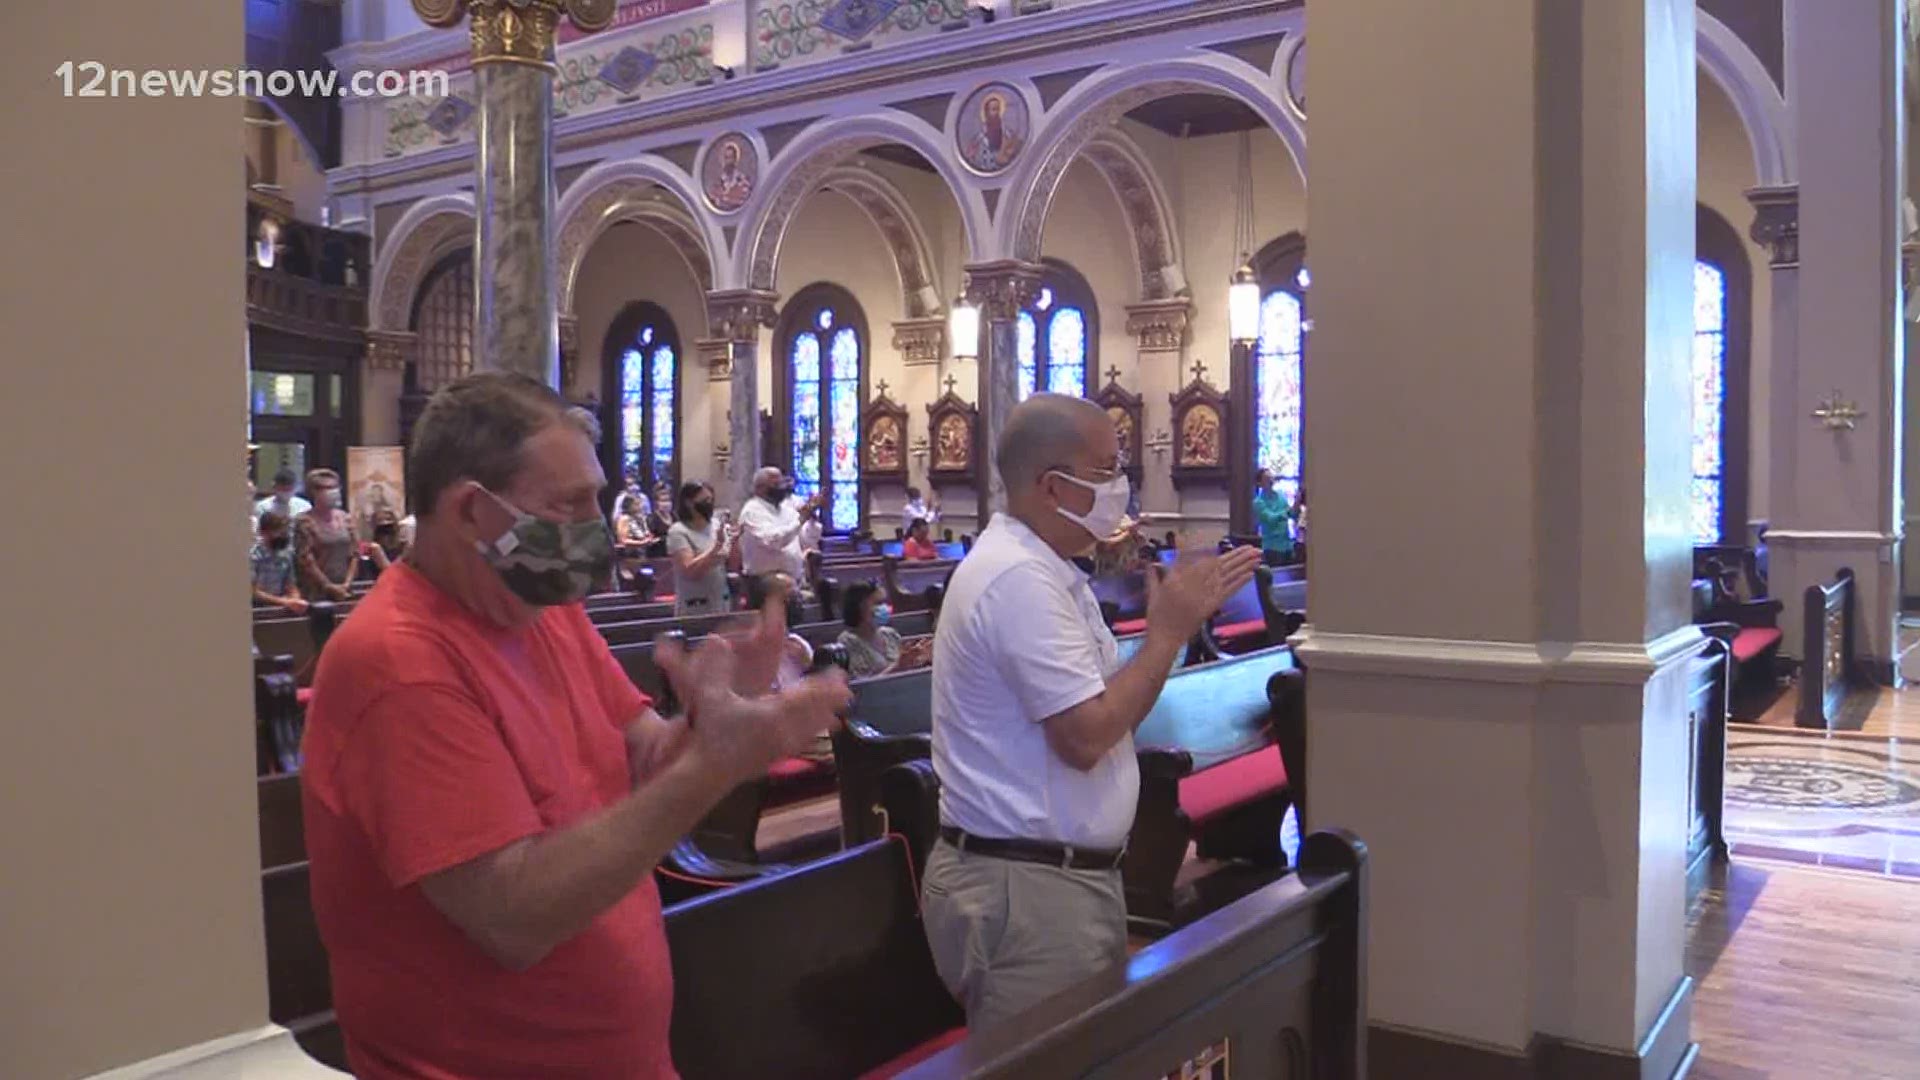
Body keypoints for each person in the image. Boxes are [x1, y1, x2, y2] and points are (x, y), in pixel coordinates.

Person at [300, 372, 850, 1079]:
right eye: (570, 504)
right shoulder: (398, 662)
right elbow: (514, 917)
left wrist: (709, 720)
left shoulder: (541, 607)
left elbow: (643, 760)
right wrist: (712, 765)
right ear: (474, 512)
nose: (598, 530)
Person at [921, 393, 1260, 1031]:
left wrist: (1173, 629)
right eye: (1105, 471)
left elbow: (1103, 702)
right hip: (1025, 891)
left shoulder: (1047, 572)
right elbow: (1086, 737)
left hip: (1048, 880)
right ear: (1054, 487)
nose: (1121, 485)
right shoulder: (1016, 580)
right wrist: (1167, 634)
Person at [737, 466, 820, 583]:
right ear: (760, 488)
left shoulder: (787, 508)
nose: (781, 487)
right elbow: (772, 541)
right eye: (776, 484)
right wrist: (800, 520)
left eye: (781, 482)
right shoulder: (752, 511)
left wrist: (811, 518)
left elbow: (806, 539)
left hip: (792, 579)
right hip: (765, 582)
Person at [666, 480, 735, 617]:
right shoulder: (678, 531)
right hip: (695, 604)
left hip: (720, 601)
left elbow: (731, 565)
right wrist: (715, 548)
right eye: (705, 500)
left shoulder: (717, 526)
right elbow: (690, 572)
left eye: (711, 500)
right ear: (689, 503)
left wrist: (735, 542)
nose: (709, 504)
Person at [836, 580, 930, 679]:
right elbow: (863, 687)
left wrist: (920, 659)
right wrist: (898, 666)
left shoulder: (890, 634)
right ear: (859, 607)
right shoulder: (847, 641)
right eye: (878, 603)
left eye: (885, 602)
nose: (884, 608)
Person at [295, 468, 359, 601]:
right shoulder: (304, 521)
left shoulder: (346, 518)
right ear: (314, 492)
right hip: (317, 591)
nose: (333, 491)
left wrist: (347, 583)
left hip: (345, 586)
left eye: (335, 487)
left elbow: (355, 552)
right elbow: (306, 559)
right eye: (326, 488)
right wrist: (328, 586)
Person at [251, 510, 308, 614]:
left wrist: (295, 600)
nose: (283, 535)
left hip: (281, 609)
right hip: (257, 612)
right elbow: (253, 592)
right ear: (264, 532)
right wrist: (284, 602)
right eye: (278, 531)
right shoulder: (253, 556)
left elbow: (290, 584)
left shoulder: (285, 555)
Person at [1251, 467, 1300, 566]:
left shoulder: (1281, 495)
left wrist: (1297, 503)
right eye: (1267, 478)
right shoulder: (1258, 502)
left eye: (1271, 477)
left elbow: (1291, 514)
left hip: (1287, 545)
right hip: (1272, 548)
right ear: (1259, 483)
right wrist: (1285, 513)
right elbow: (1270, 519)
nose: (1271, 480)